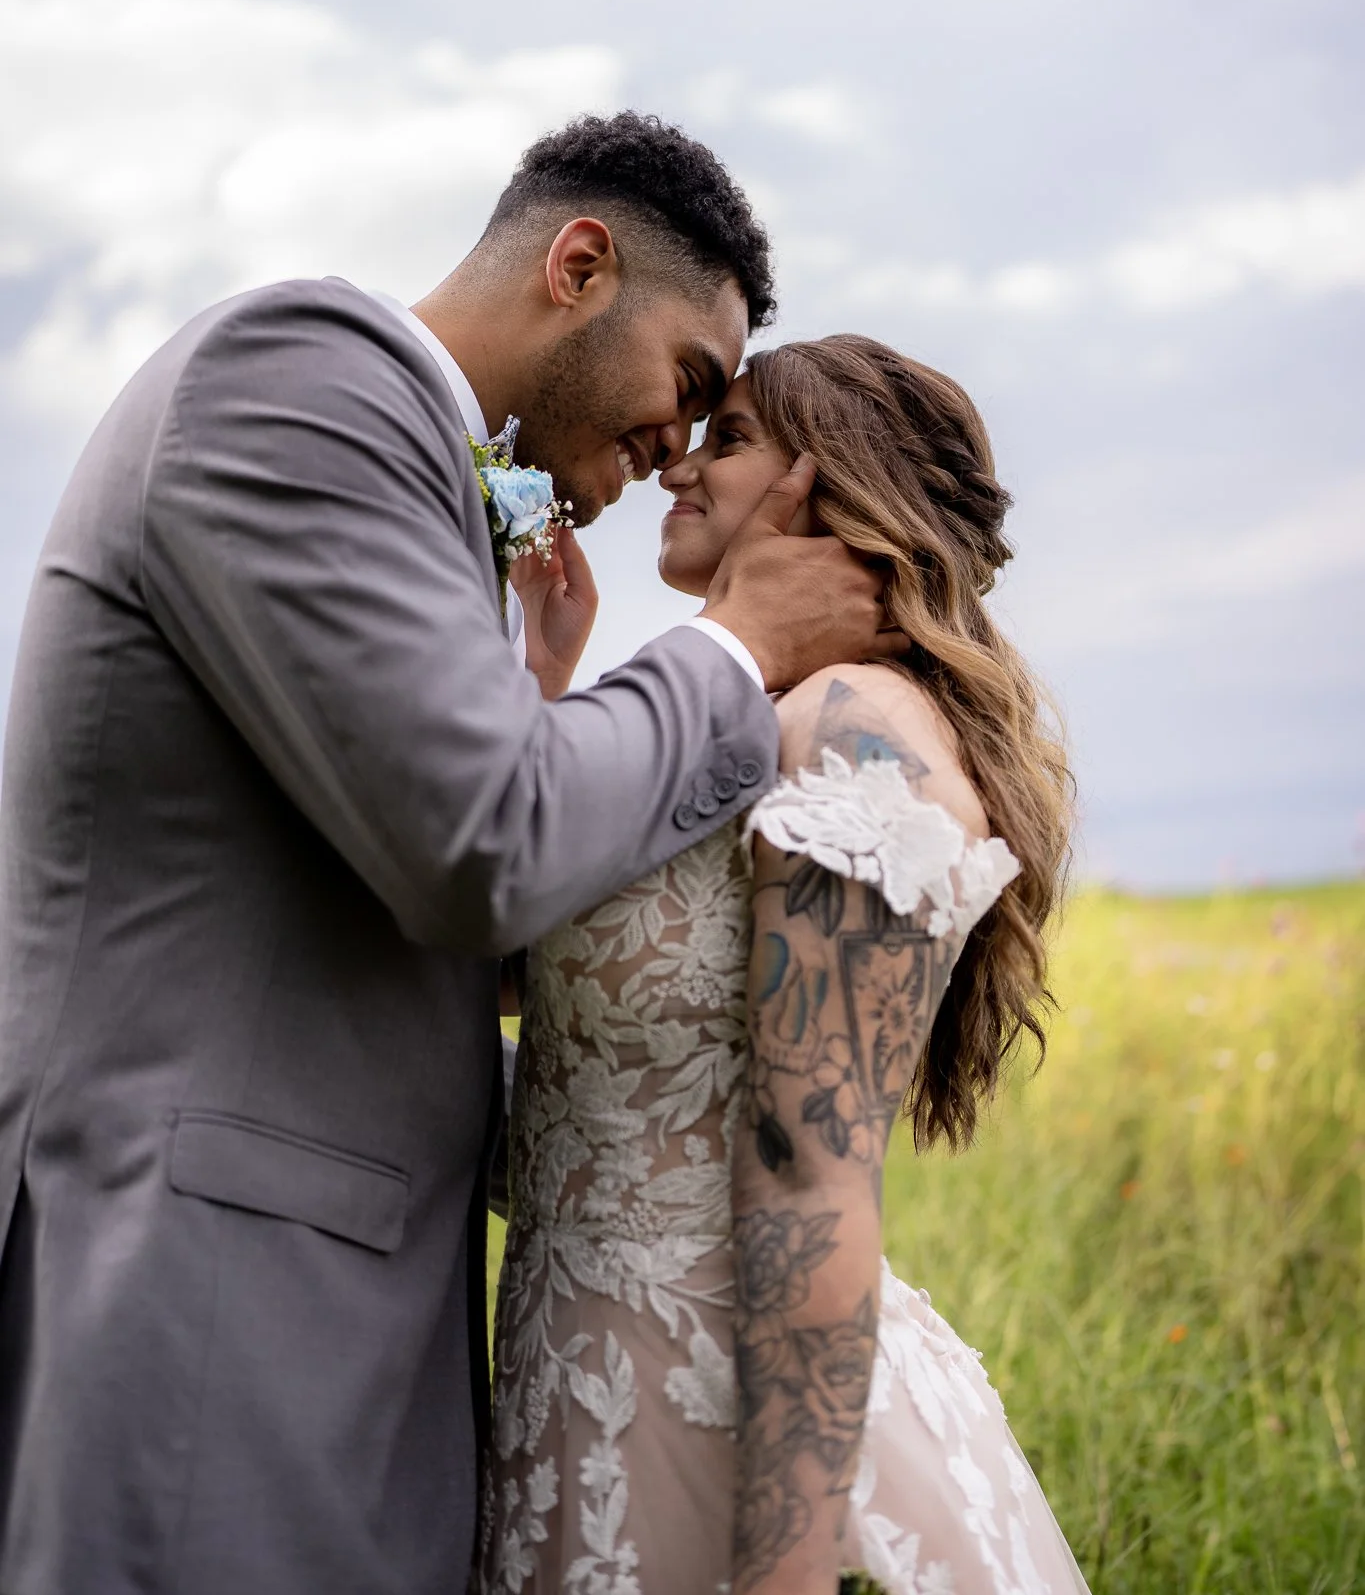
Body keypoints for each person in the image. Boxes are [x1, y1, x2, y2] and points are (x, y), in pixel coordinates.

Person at [0, 114, 901, 1595]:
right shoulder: (296, 380)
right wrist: (737, 652)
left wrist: (534, 701)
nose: (676, 447)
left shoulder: (426, 494)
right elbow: (481, 846)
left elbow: (419, 911)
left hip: (340, 1309)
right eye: (685, 381)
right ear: (581, 264)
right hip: (209, 1305)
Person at [479, 335, 1087, 1595]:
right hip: (583, 1397)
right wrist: (542, 682)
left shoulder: (858, 732)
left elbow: (814, 1174)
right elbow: (547, 1017)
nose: (677, 469)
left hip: (729, 1426)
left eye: (731, 436)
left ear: (830, 486)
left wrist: (787, 1571)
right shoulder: (735, 726)